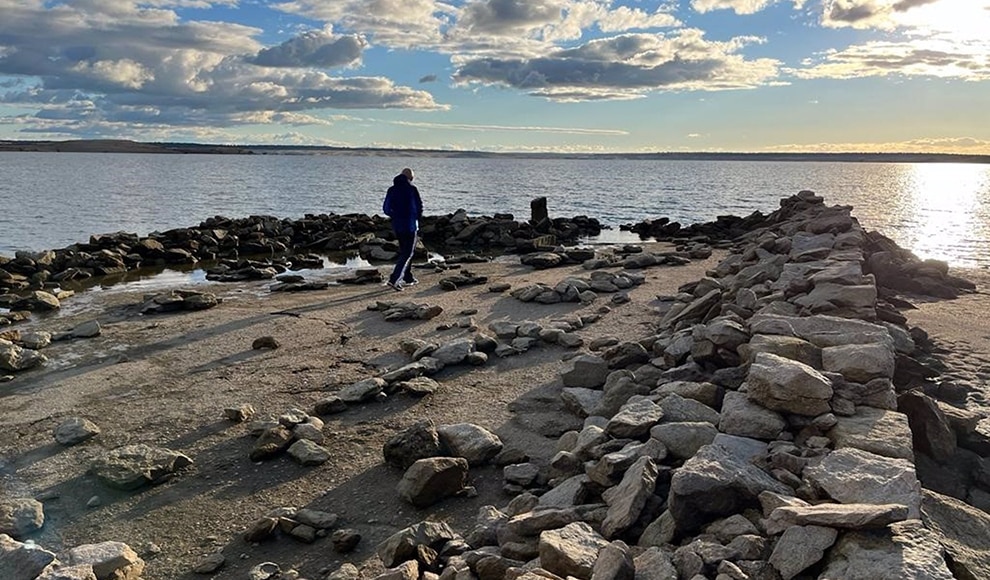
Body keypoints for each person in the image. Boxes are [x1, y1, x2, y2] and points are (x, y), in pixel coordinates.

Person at [382, 167, 423, 291]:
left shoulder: (392, 190)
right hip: (410, 225)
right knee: (407, 252)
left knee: (404, 251)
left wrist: (395, 215)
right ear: (410, 178)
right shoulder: (412, 190)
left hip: (397, 225)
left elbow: (386, 208)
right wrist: (416, 218)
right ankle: (395, 279)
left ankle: (407, 277)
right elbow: (419, 207)